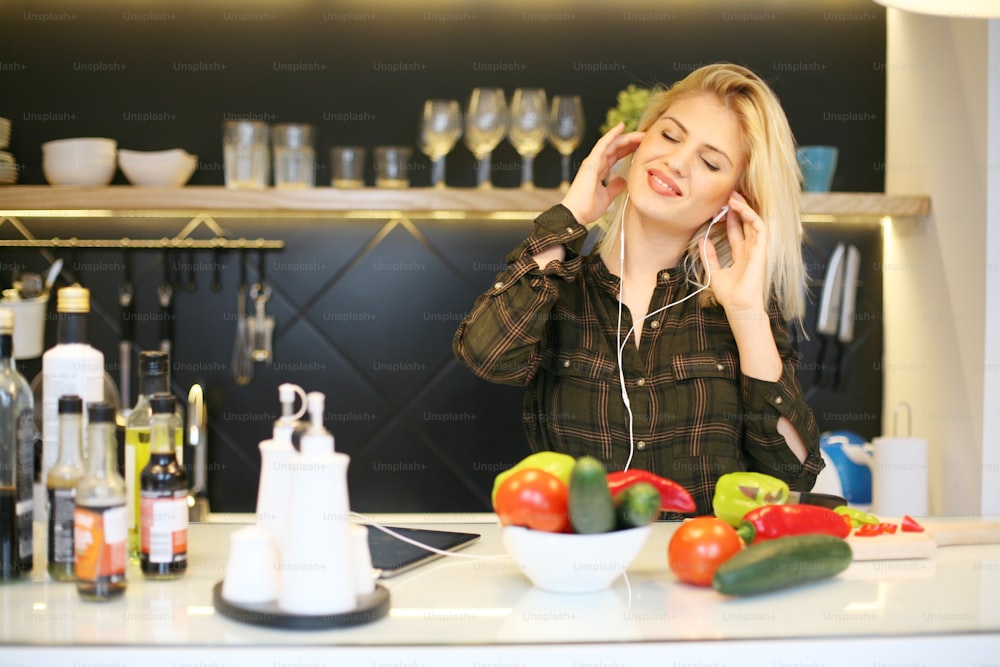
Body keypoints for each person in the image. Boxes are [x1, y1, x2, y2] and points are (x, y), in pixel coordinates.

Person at [453, 63, 823, 516]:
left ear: (735, 198)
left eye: (710, 162)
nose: (677, 162)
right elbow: (486, 355)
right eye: (669, 136)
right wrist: (569, 217)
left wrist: (746, 312)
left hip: (703, 573)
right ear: (639, 140)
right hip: (583, 570)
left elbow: (793, 473)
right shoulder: (560, 288)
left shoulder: (739, 309)